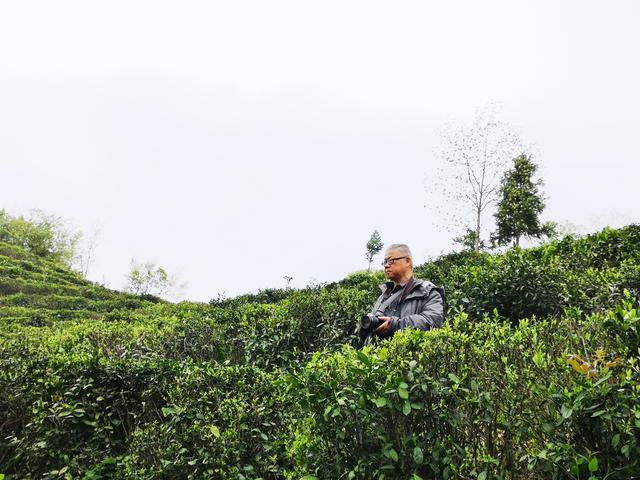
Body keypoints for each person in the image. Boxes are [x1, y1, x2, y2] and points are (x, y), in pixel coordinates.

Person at [359, 244, 444, 345]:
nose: (386, 265)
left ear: (407, 261)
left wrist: (396, 325)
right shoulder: (383, 296)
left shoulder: (427, 292)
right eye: (384, 262)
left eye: (391, 260)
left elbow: (433, 322)